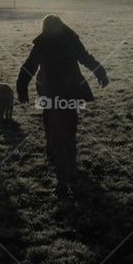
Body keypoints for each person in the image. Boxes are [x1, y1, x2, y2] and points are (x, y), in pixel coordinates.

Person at [16, 15, 109, 197]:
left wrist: (21, 87)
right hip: (71, 90)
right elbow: (85, 58)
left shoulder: (42, 43)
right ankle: (71, 168)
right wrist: (100, 72)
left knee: (56, 132)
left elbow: (29, 66)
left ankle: (62, 180)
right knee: (70, 130)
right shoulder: (71, 39)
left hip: (51, 91)